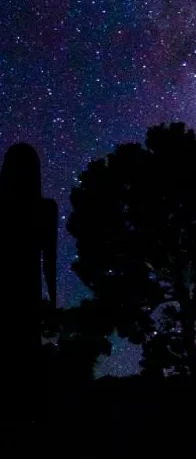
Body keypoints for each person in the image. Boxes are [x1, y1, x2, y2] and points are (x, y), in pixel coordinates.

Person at [0, 143, 58, 423]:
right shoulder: (45, 208)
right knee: (26, 356)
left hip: (16, 289)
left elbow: (49, 259)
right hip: (27, 290)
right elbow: (50, 260)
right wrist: (54, 303)